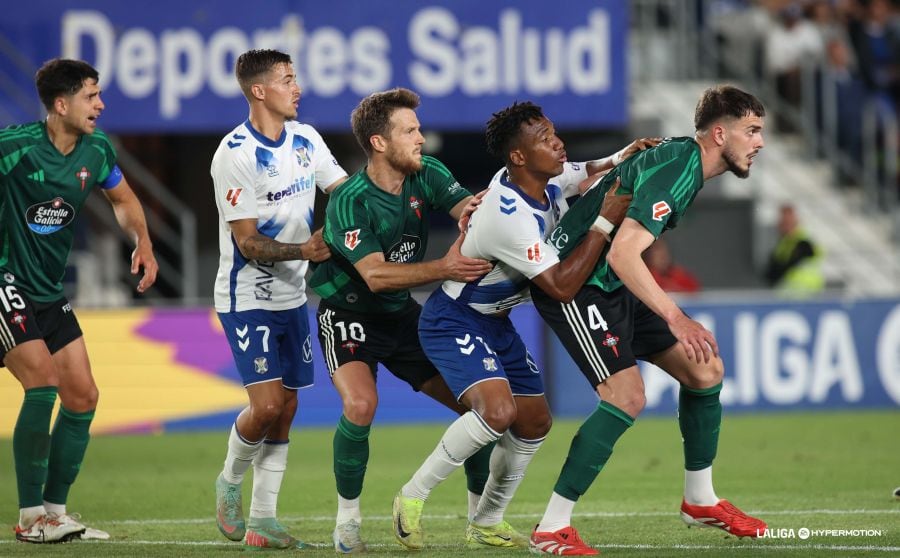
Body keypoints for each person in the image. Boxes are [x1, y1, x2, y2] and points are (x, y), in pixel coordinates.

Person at [393, 102, 656, 550]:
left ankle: (487, 520)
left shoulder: (540, 179)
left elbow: (578, 170)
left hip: (494, 322)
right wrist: (603, 221)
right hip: (453, 318)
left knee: (535, 422)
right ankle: (411, 497)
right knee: (498, 414)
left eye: (554, 132)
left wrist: (619, 156)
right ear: (518, 158)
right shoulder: (508, 215)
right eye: (544, 138)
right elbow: (559, 287)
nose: (557, 143)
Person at [528, 85, 769, 555]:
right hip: (579, 286)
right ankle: (549, 528)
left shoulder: (681, 159)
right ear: (720, 134)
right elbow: (623, 254)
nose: (759, 142)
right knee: (626, 395)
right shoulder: (681, 167)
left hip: (610, 282)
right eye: (752, 131)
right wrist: (677, 318)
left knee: (704, 371)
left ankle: (700, 499)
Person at [308, 87, 496, 553]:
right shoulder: (350, 201)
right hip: (349, 315)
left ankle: (479, 518)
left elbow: (472, 214)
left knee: (481, 411)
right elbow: (374, 276)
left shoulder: (426, 173)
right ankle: (347, 521)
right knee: (360, 407)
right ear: (378, 142)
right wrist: (446, 268)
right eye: (409, 130)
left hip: (403, 317)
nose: (420, 137)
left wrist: (497, 209)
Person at [0, 58, 158, 543]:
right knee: (43, 380)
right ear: (62, 103)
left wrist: (144, 243)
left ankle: (55, 512)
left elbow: (125, 200)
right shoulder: (13, 147)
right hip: (5, 283)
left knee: (83, 395)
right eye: (92, 96)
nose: (101, 105)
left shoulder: (98, 150)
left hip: (48, 292)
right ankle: (30, 520)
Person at [210, 49, 347, 550]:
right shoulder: (235, 154)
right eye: (288, 80)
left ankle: (263, 521)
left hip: (293, 296)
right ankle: (228, 481)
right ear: (259, 90)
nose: (298, 88)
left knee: (287, 407)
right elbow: (247, 241)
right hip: (246, 295)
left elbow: (344, 193)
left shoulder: (307, 139)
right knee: (265, 405)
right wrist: (305, 249)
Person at [763, 203, 824, 294]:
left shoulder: (805, 243)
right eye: (783, 221)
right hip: (788, 294)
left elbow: (787, 266)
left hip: (807, 293)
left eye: (787, 221)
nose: (784, 224)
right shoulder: (782, 244)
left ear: (796, 221)